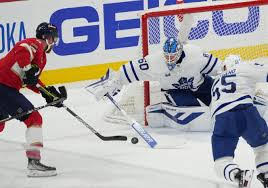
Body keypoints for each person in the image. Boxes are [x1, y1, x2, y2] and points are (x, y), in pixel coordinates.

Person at [87, 37, 221, 130]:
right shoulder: (155, 62)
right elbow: (130, 69)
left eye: (173, 55)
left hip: (200, 84)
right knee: (196, 113)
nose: (169, 59)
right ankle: (163, 110)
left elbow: (219, 68)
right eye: (167, 56)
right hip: (175, 91)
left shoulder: (195, 54)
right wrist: (115, 82)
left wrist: (231, 73)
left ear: (180, 52)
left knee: (221, 95)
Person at [0, 22, 66, 177]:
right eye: (53, 38)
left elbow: (29, 80)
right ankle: (34, 164)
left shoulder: (42, 57)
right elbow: (21, 48)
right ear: (47, 37)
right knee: (34, 118)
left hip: (5, 87)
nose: (54, 42)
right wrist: (28, 69)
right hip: (3, 86)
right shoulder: (35, 43)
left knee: (0, 124)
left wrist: (48, 93)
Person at [210, 55, 268, 188]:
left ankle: (238, 175)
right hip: (247, 112)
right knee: (263, 147)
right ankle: (266, 175)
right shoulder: (242, 67)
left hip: (223, 119)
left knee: (222, 161)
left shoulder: (215, 83)